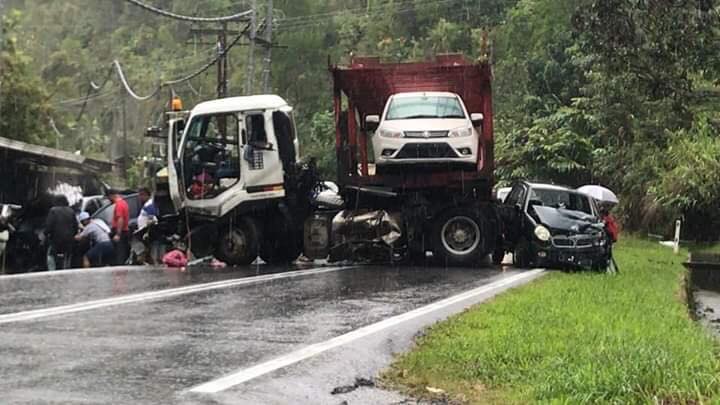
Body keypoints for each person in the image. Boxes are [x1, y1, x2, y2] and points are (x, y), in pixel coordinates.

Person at [45, 195, 78, 270]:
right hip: (69, 239)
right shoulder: (71, 211)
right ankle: (66, 269)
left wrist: (46, 234)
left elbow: (49, 225)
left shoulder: (53, 210)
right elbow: (75, 225)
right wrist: (73, 235)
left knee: (50, 254)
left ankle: (52, 270)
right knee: (68, 254)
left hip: (56, 239)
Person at [107, 189, 130, 265]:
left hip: (121, 232)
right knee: (122, 252)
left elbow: (120, 219)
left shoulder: (119, 204)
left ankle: (120, 271)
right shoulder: (124, 203)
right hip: (124, 231)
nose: (108, 200)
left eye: (108, 197)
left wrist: (118, 234)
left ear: (111, 196)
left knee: (120, 254)